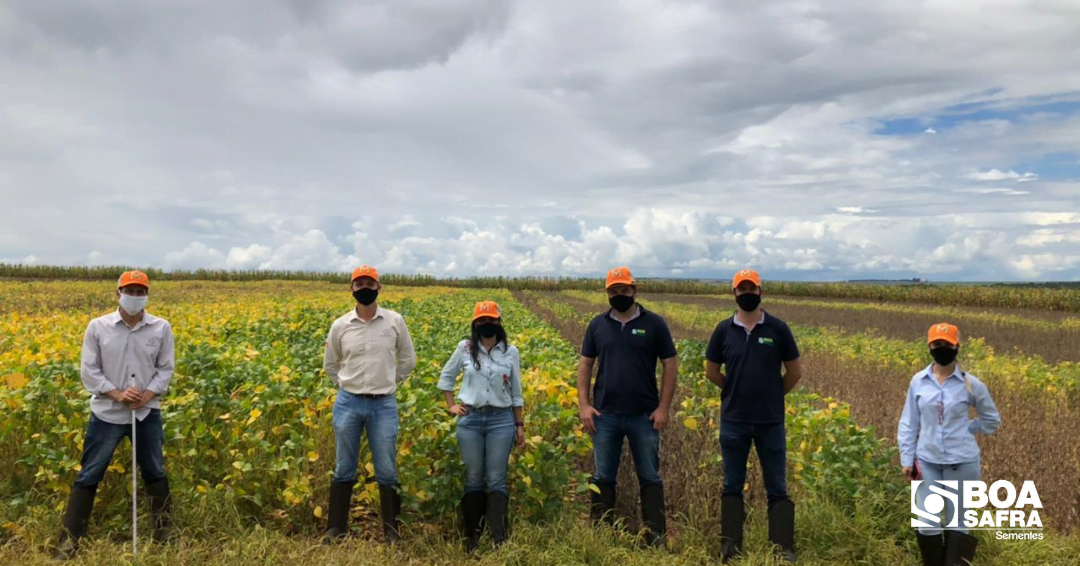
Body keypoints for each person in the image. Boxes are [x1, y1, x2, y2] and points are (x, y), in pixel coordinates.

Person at [55, 270, 175, 559]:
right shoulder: (98, 327)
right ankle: (68, 544)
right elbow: (89, 370)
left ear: (147, 295)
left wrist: (147, 394)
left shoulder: (160, 328)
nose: (135, 297)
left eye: (140, 292)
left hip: (146, 413)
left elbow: (166, 368)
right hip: (107, 413)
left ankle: (164, 538)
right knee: (91, 473)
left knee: (155, 471)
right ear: (117, 293)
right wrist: (118, 394)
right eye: (129, 291)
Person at [705, 269, 802, 564]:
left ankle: (782, 548)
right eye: (741, 288)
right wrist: (733, 390)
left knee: (777, 486)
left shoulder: (778, 328)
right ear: (733, 293)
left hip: (770, 422)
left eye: (752, 287)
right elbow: (711, 371)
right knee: (732, 484)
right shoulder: (723, 330)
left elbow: (794, 372)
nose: (747, 292)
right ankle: (730, 548)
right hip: (734, 421)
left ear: (761, 291)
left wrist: (772, 395)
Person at [577, 266, 678, 547]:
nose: (619, 295)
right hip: (604, 415)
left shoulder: (654, 324)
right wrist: (584, 405)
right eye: (614, 291)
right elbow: (585, 364)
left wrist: (663, 408)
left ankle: (655, 536)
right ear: (607, 293)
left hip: (644, 416)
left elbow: (670, 364)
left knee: (649, 475)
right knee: (603, 476)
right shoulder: (597, 325)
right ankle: (601, 535)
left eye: (624, 290)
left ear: (635, 290)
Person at [321, 265, 417, 544]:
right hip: (348, 402)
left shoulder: (394, 321)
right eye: (359, 283)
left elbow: (408, 359)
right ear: (351, 289)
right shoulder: (340, 325)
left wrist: (391, 382)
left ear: (379, 288)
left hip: (383, 404)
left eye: (370, 283)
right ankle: (336, 528)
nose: (365, 288)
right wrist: (345, 386)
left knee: (386, 467)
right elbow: (330, 364)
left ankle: (392, 531)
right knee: (343, 467)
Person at [898, 322, 1001, 566]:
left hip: (963, 463)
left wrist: (968, 427)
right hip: (926, 462)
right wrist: (906, 458)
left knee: (958, 522)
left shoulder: (971, 384)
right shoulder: (918, 382)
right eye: (937, 344)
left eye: (947, 344)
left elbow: (991, 420)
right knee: (927, 521)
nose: (942, 348)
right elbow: (908, 423)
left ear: (957, 347)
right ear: (929, 346)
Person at [437, 300, 526, 551]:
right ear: (475, 323)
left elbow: (516, 392)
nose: (487, 324)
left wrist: (519, 425)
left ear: (499, 322)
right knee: (474, 477)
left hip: (501, 420)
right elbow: (446, 378)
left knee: (497, 478)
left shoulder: (511, 352)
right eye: (482, 320)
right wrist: (451, 405)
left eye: (492, 320)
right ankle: (472, 539)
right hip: (471, 419)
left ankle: (498, 539)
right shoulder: (465, 348)